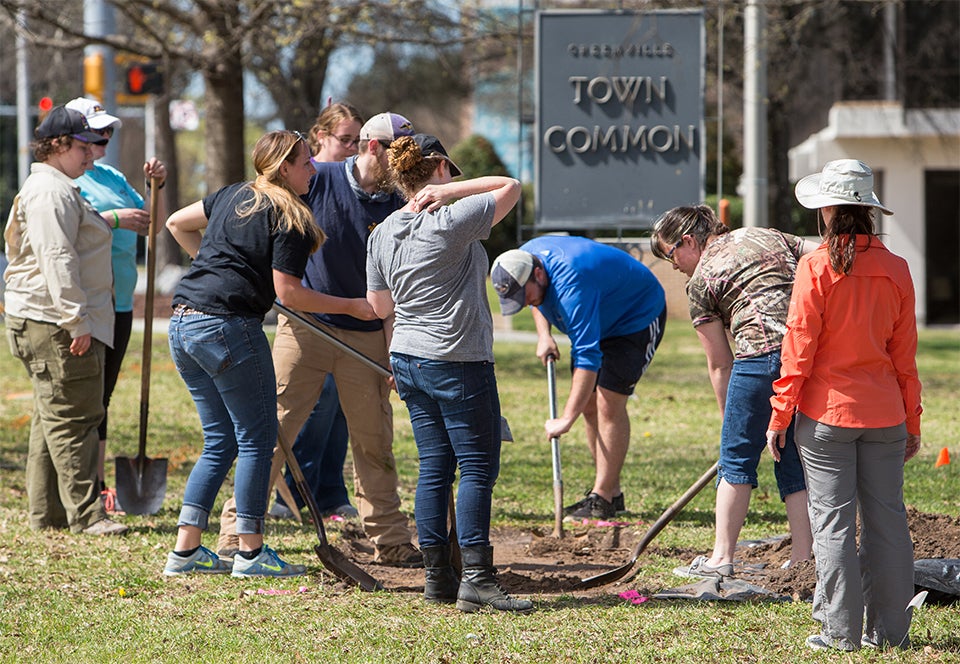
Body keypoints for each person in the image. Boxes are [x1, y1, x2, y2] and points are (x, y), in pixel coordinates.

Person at [162, 130, 375, 577]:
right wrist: (354, 306)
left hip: (182, 324)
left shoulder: (235, 193)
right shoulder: (292, 215)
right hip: (227, 326)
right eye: (304, 163)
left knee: (220, 439)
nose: (314, 169)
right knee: (257, 439)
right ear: (282, 169)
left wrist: (218, 268)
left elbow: (176, 224)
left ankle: (185, 553)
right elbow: (290, 294)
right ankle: (250, 553)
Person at [367, 134, 533, 612]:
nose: (456, 182)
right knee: (478, 467)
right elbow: (512, 185)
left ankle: (438, 579)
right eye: (451, 174)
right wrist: (451, 195)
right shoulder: (450, 217)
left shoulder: (381, 233)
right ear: (438, 169)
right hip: (457, 359)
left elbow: (381, 306)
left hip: (408, 360)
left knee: (435, 467)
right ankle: (477, 579)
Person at [766, 159, 922, 652]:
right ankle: (891, 634)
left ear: (827, 210)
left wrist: (780, 415)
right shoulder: (897, 268)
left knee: (832, 523)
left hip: (826, 417)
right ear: (869, 211)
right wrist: (912, 421)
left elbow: (799, 349)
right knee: (888, 523)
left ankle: (840, 634)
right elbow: (906, 358)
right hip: (886, 414)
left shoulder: (815, 267)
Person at [269, 112, 423, 567]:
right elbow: (258, 210)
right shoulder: (319, 179)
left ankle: (391, 541)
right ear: (372, 148)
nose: (404, 166)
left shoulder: (403, 200)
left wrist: (397, 349)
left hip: (367, 337)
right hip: (304, 328)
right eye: (397, 154)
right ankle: (240, 532)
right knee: (272, 430)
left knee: (374, 440)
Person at [650, 204, 815, 578]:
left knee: (736, 462)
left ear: (688, 240)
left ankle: (721, 559)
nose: (673, 265)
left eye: (670, 254)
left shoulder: (699, 282)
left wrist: (734, 426)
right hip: (807, 358)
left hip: (759, 360)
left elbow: (721, 362)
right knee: (791, 458)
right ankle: (803, 559)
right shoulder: (767, 235)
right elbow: (821, 254)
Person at [3, 105, 126, 536]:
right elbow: (58, 261)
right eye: (82, 146)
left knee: (51, 416)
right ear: (57, 146)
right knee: (75, 418)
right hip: (54, 322)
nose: (91, 156)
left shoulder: (58, 186)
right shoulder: (50, 192)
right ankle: (86, 515)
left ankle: (47, 514)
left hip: (48, 317)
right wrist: (77, 322)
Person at [490, 237, 667, 520]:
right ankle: (610, 492)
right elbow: (537, 300)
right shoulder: (522, 259)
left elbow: (587, 357)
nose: (525, 305)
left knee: (609, 404)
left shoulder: (573, 283)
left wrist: (566, 419)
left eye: (525, 296)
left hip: (635, 316)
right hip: (601, 313)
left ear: (538, 274)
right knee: (588, 404)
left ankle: (602, 498)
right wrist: (544, 336)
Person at [65, 97, 167, 513]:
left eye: (108, 131)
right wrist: (114, 219)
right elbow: (67, 231)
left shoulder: (110, 175)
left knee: (104, 392)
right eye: (97, 131)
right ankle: (88, 482)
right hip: (92, 301)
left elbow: (152, 225)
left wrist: (153, 189)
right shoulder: (68, 181)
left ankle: (102, 480)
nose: (105, 138)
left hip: (122, 299)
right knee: (86, 396)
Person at [271, 101, 365, 521]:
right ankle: (293, 491)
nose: (352, 148)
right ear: (320, 137)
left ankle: (330, 490)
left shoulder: (357, 183)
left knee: (341, 410)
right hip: (310, 317)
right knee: (311, 408)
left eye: (358, 142)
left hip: (352, 319)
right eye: (345, 140)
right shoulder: (306, 184)